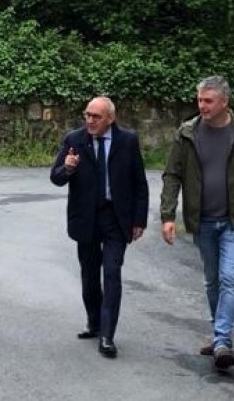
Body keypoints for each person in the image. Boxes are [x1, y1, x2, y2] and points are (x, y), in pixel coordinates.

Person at [160, 76, 234, 370]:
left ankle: (222, 340)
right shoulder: (187, 133)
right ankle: (220, 333)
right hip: (203, 221)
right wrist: (168, 215)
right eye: (200, 100)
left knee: (230, 277)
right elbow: (172, 175)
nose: (202, 106)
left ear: (224, 102)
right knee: (213, 280)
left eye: (208, 101)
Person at [50, 96, 149, 358]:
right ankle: (94, 322)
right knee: (89, 276)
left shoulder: (127, 141)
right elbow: (56, 177)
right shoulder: (75, 140)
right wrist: (68, 168)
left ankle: (107, 335)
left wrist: (139, 220)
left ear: (110, 118)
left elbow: (139, 183)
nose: (90, 121)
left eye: (96, 116)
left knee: (112, 272)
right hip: (86, 218)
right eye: (87, 115)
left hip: (116, 218)